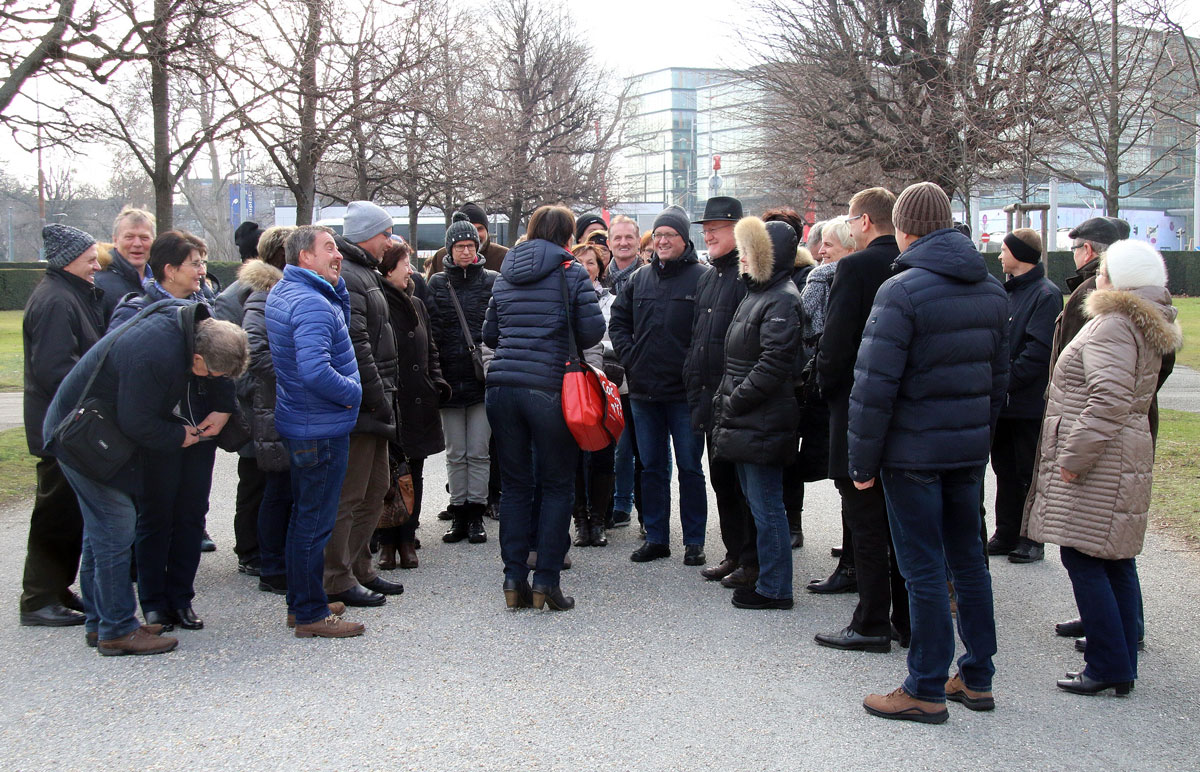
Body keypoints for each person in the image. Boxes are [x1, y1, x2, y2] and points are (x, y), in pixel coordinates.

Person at [850, 182, 1008, 724]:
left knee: (922, 568)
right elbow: (998, 382)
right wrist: (978, 439)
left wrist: (862, 463)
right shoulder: (990, 288)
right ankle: (977, 675)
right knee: (968, 563)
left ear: (904, 228)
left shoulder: (902, 291)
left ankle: (924, 685)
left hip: (913, 455)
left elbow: (874, 386)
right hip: (964, 451)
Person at [44, 300, 248, 656]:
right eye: (212, 375)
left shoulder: (185, 327)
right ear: (197, 360)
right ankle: (117, 630)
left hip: (85, 429)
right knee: (115, 528)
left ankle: (101, 621)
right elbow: (137, 421)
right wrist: (182, 437)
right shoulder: (155, 355)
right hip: (81, 438)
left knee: (99, 536)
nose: (211, 381)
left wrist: (222, 405)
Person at [1025, 239, 1180, 697]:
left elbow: (1107, 399)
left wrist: (1073, 459)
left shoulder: (1114, 323)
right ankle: (1119, 655)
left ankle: (1108, 663)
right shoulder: (1141, 319)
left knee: (1083, 554)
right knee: (1112, 556)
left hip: (1101, 456)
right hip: (1119, 450)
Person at [108, 231, 234, 633]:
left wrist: (224, 410)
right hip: (157, 435)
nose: (202, 270)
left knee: (191, 516)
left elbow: (225, 364)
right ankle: (154, 603)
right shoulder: (136, 311)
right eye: (195, 262)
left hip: (201, 432)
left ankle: (181, 598)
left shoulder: (206, 306)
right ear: (169, 269)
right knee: (155, 517)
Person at [484, 205, 604, 609]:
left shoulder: (504, 276)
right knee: (556, 486)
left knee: (516, 487)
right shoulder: (571, 273)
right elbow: (591, 331)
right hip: (550, 388)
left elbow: (490, 332)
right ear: (568, 237)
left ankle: (513, 579)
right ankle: (546, 583)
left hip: (502, 388)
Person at [814, 188, 908, 653]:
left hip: (855, 406)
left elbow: (836, 343)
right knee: (902, 523)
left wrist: (826, 389)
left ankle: (872, 619)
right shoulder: (915, 265)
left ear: (865, 221)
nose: (848, 229)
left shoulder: (855, 268)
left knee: (866, 520)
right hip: (907, 414)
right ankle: (906, 619)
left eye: (850, 221)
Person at [266, 225, 365, 638]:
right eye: (329, 248)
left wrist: (336, 288)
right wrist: (353, 394)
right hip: (319, 426)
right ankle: (309, 612)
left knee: (304, 517)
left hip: (303, 421)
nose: (337, 254)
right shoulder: (310, 304)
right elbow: (315, 369)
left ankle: (303, 600)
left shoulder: (291, 292)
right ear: (305, 256)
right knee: (313, 521)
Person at [710, 216, 804, 610]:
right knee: (758, 503)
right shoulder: (760, 293)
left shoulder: (781, 297)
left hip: (761, 417)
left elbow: (773, 362)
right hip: (747, 415)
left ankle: (776, 587)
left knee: (767, 507)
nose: (742, 260)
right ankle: (769, 579)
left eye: (750, 253)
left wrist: (735, 400)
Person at [610, 205, 709, 565]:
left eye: (671, 235)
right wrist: (630, 356)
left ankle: (694, 540)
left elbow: (709, 333)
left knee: (690, 468)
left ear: (685, 240)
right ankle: (656, 536)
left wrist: (694, 368)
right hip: (644, 390)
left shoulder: (703, 278)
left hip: (685, 394)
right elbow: (618, 322)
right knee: (651, 467)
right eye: (659, 235)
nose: (663, 241)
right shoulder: (640, 278)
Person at [19, 225, 106, 628]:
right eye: (90, 257)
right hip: (60, 427)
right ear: (68, 259)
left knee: (69, 512)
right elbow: (56, 369)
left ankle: (56, 587)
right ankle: (38, 598)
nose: (96, 264)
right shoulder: (56, 300)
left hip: (67, 423)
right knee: (55, 513)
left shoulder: (70, 294)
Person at [323, 201, 403, 607]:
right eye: (385, 233)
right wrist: (375, 396)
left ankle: (360, 567)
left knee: (376, 489)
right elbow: (358, 345)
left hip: (376, 398)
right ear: (366, 235)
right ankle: (337, 576)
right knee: (350, 494)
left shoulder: (363, 273)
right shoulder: (352, 277)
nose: (389, 241)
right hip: (364, 403)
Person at [683, 196, 751, 584]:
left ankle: (750, 559)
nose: (708, 234)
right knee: (721, 481)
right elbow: (698, 337)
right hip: (709, 394)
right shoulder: (708, 276)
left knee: (744, 486)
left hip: (737, 396)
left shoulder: (747, 274)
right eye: (705, 229)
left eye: (716, 228)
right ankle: (733, 553)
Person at [985, 228, 1062, 564]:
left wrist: (1006, 381)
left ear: (1020, 254)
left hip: (1027, 401)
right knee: (1004, 467)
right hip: (1004, 401)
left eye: (1004, 250)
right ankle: (1006, 531)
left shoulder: (1046, 294)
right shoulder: (1008, 291)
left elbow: (1038, 349)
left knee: (1028, 471)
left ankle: (1032, 538)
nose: (1000, 256)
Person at [377, 238, 449, 570]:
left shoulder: (417, 303)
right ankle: (387, 542)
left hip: (420, 398)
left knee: (415, 470)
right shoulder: (375, 303)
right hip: (391, 399)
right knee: (388, 471)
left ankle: (408, 538)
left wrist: (436, 382)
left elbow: (431, 348)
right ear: (388, 268)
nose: (410, 270)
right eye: (405, 264)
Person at [426, 213, 498, 544]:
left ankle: (476, 511)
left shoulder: (492, 280)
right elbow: (431, 333)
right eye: (460, 246)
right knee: (456, 451)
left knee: (479, 450)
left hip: (482, 379)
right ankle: (458, 510)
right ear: (449, 250)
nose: (466, 252)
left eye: (471, 245)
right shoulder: (438, 284)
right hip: (450, 380)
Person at [239, 226, 293, 596]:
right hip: (275, 406)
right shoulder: (262, 297)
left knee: (286, 487)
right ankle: (272, 566)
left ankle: (279, 561)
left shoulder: (282, 293)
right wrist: (297, 374)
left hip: (284, 405)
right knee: (277, 488)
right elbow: (254, 352)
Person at [804, 216, 857, 583]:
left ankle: (853, 563)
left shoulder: (827, 279)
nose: (821, 252)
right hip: (845, 395)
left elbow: (820, 335)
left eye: (830, 246)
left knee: (850, 480)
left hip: (840, 395)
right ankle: (853, 551)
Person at [214, 220, 267, 577]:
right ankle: (248, 549)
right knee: (252, 478)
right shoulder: (231, 298)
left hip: (263, 402)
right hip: (251, 403)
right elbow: (231, 360)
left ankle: (259, 545)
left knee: (263, 479)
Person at [763, 205, 816, 550]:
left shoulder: (806, 277)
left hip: (793, 378)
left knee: (789, 456)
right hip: (764, 377)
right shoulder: (756, 275)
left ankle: (791, 520)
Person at [568, 242, 616, 548]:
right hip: (571, 385)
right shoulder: (563, 296)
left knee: (602, 454)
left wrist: (598, 357)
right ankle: (580, 519)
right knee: (573, 457)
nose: (586, 268)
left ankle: (598, 519)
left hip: (602, 383)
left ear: (600, 268)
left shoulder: (613, 301)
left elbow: (618, 338)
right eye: (579, 262)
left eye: (592, 263)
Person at [602, 215, 646, 530]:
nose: (623, 243)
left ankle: (647, 511)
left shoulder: (648, 274)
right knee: (618, 444)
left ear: (638, 239)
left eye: (628, 237)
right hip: (608, 373)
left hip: (642, 371)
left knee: (646, 448)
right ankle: (619, 504)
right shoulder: (600, 277)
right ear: (609, 242)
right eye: (617, 238)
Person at [94, 207, 154, 322]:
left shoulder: (161, 281)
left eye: (144, 238)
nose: (137, 244)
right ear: (115, 240)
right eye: (129, 237)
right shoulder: (99, 286)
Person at [428, 202, 510, 272]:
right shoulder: (440, 257)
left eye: (480, 229)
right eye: (470, 229)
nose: (475, 235)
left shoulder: (504, 256)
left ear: (487, 231)